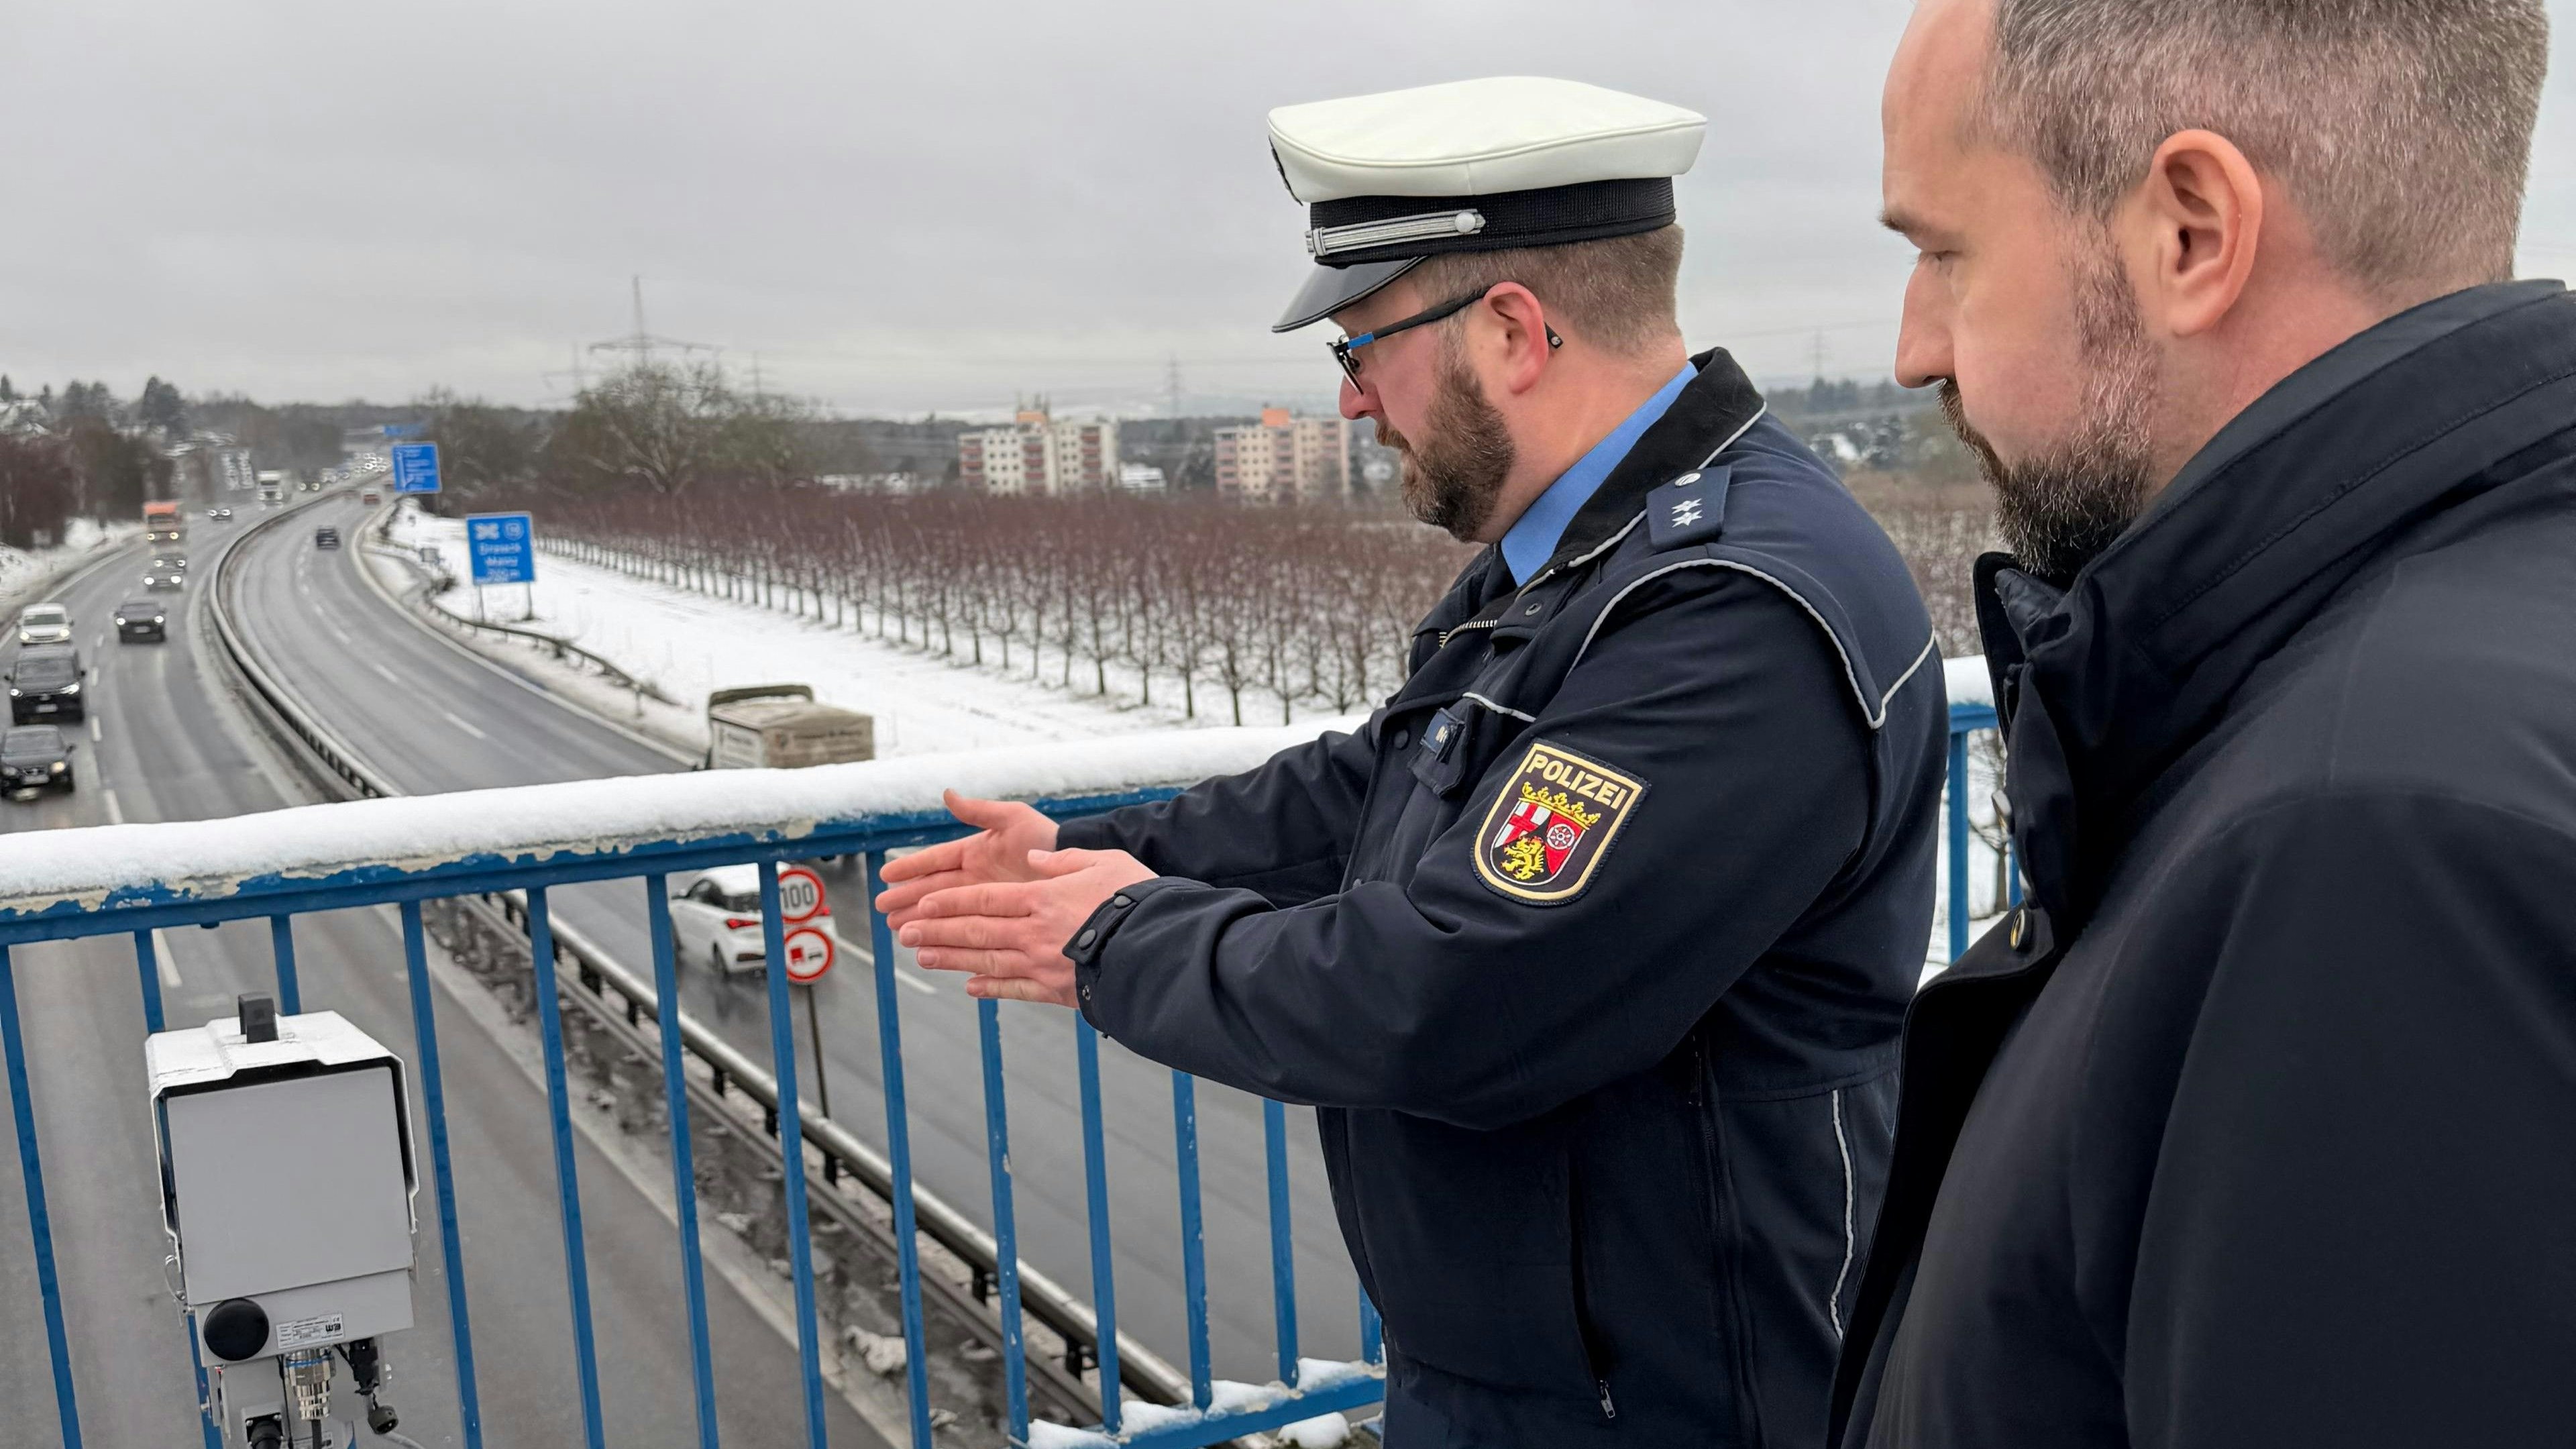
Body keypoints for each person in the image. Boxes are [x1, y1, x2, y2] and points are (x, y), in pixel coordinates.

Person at [879, 76, 1949, 1446]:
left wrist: (1118, 936)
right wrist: (1103, 856)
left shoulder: (1735, 615)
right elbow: (1380, 784)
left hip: (1677, 1402)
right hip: (1539, 1379)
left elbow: (1463, 995)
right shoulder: (1586, 559)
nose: (1351, 402)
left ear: (1509, 330)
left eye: (1362, 346)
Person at [1839, 1, 2570, 1445]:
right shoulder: (2465, 654)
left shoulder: (2367, 855)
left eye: (1944, 252)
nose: (1916, 348)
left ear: (2191, 232)